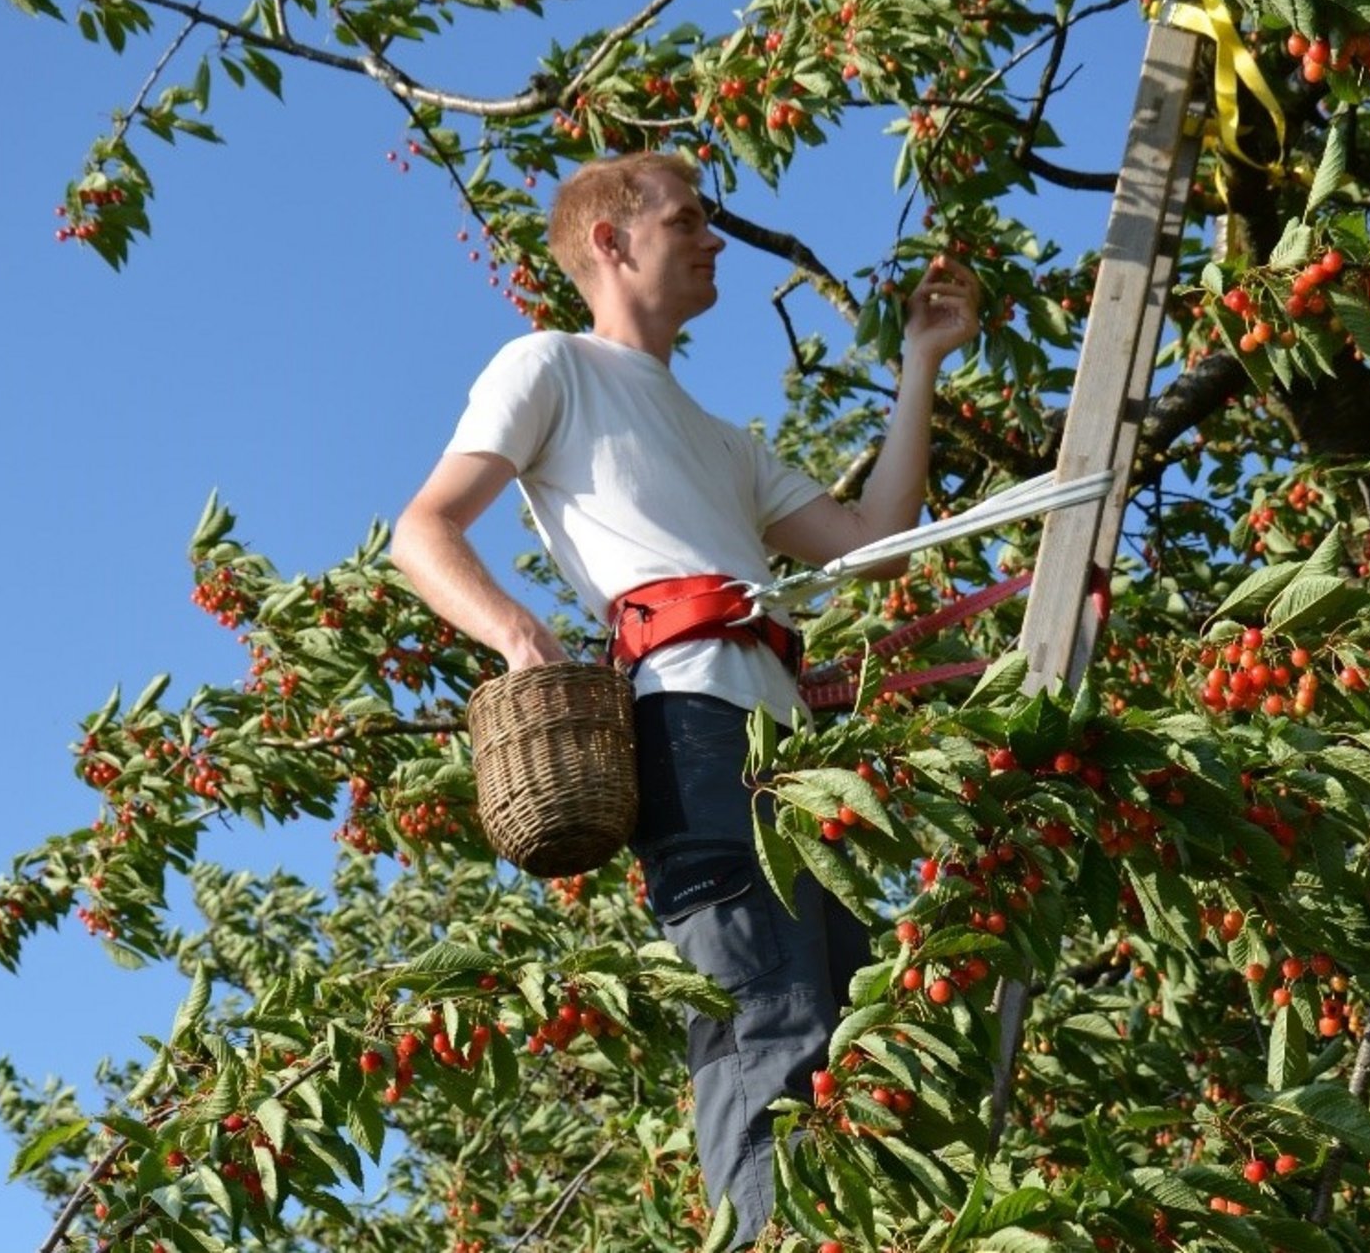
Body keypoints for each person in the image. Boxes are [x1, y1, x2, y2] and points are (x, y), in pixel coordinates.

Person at [390, 152, 980, 1247]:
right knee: (768, 1023)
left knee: (853, 1037)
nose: (712, 239)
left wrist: (920, 363)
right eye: (687, 219)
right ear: (609, 242)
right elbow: (424, 528)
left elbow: (875, 544)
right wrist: (519, 637)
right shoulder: (550, 364)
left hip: (790, 754)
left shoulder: (722, 442)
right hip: (688, 729)